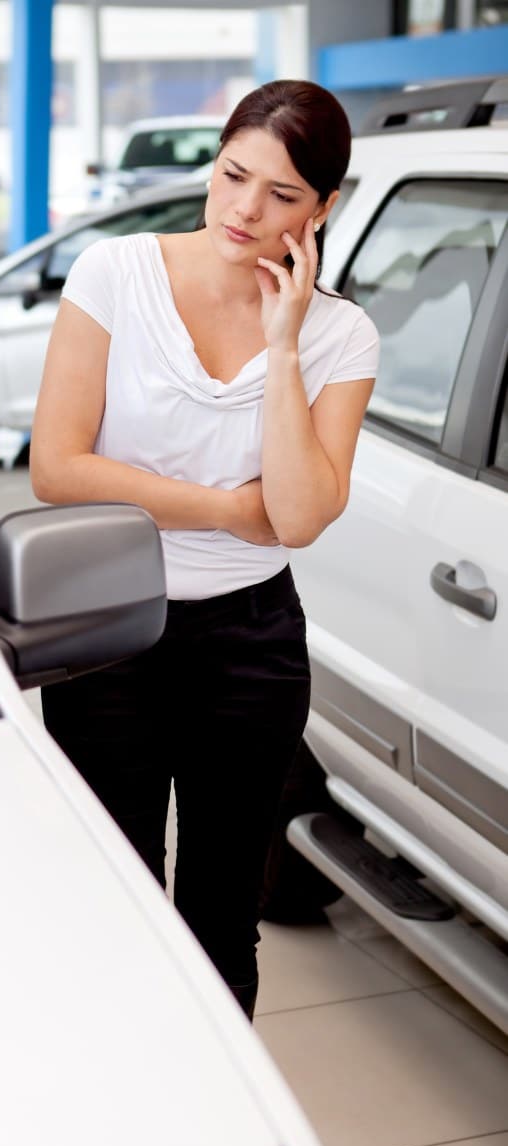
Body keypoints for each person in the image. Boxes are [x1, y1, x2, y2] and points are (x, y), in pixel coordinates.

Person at [30, 80, 379, 1021]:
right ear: (215, 159)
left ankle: (217, 1135)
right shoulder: (114, 273)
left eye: (282, 197)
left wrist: (285, 345)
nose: (245, 210)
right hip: (110, 628)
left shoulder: (343, 334)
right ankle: (122, 1117)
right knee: (118, 902)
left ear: (322, 210)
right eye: (234, 176)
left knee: (224, 916)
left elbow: (300, 516)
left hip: (251, 644)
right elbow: (58, 467)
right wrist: (227, 511)